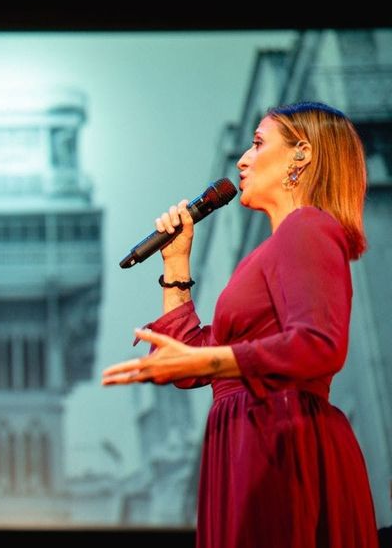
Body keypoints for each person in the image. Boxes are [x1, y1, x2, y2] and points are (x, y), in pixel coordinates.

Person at [102, 102, 378, 547]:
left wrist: (210, 361)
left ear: (300, 154)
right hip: (251, 436)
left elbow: (319, 344)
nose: (242, 161)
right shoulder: (276, 248)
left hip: (280, 441)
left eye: (257, 144)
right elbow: (190, 364)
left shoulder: (306, 228)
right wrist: (176, 263)